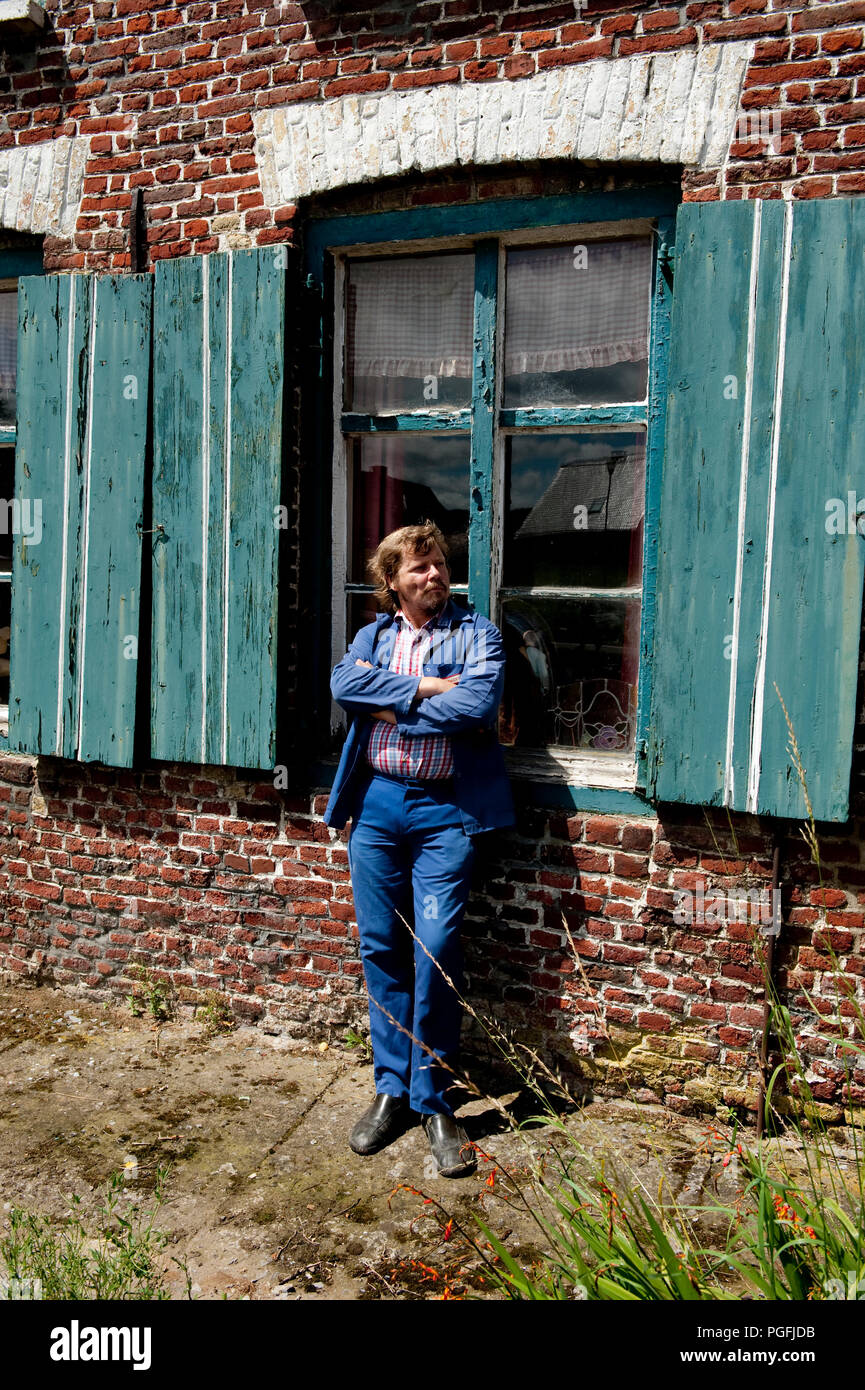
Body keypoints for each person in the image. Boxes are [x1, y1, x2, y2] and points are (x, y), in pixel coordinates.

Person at [324, 521, 515, 1177]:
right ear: (392, 581)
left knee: (433, 950)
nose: (433, 575)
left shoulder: (478, 635)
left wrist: (390, 702)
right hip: (376, 807)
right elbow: (343, 686)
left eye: (437, 565)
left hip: (444, 811)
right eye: (417, 568)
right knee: (380, 946)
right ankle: (392, 1091)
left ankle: (433, 1100)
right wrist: (429, 688)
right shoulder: (372, 636)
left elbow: (473, 708)